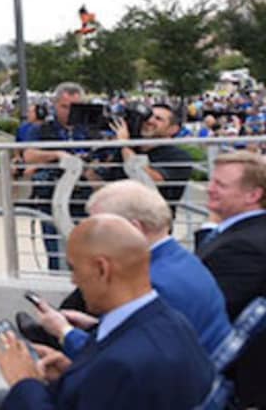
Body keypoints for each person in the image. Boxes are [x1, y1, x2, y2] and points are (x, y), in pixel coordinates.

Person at [0, 215, 213, 410]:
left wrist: (24, 381)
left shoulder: (122, 364)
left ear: (102, 268)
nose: (73, 281)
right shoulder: (173, 322)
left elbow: (113, 373)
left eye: (74, 269)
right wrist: (67, 370)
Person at [30, 181, 231, 356]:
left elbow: (116, 361)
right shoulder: (183, 260)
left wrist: (65, 332)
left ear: (133, 229)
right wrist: (94, 326)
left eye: (99, 229)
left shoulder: (149, 282)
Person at [197, 150, 266, 408]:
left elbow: (209, 315)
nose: (209, 189)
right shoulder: (240, 234)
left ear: (253, 195)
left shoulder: (244, 246)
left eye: (220, 185)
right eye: (211, 181)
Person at [19, 82, 90, 270]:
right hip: (51, 199)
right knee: (57, 257)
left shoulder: (91, 129)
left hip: (87, 200)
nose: (69, 112)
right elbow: (29, 155)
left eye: (74, 107)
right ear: (55, 105)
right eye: (64, 106)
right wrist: (57, 155)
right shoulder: (41, 129)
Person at [103, 102, 193, 203]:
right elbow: (103, 183)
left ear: (173, 129)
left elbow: (147, 181)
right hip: (114, 209)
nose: (149, 121)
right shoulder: (131, 148)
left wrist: (124, 144)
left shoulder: (179, 157)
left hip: (150, 215)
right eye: (148, 116)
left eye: (158, 119)